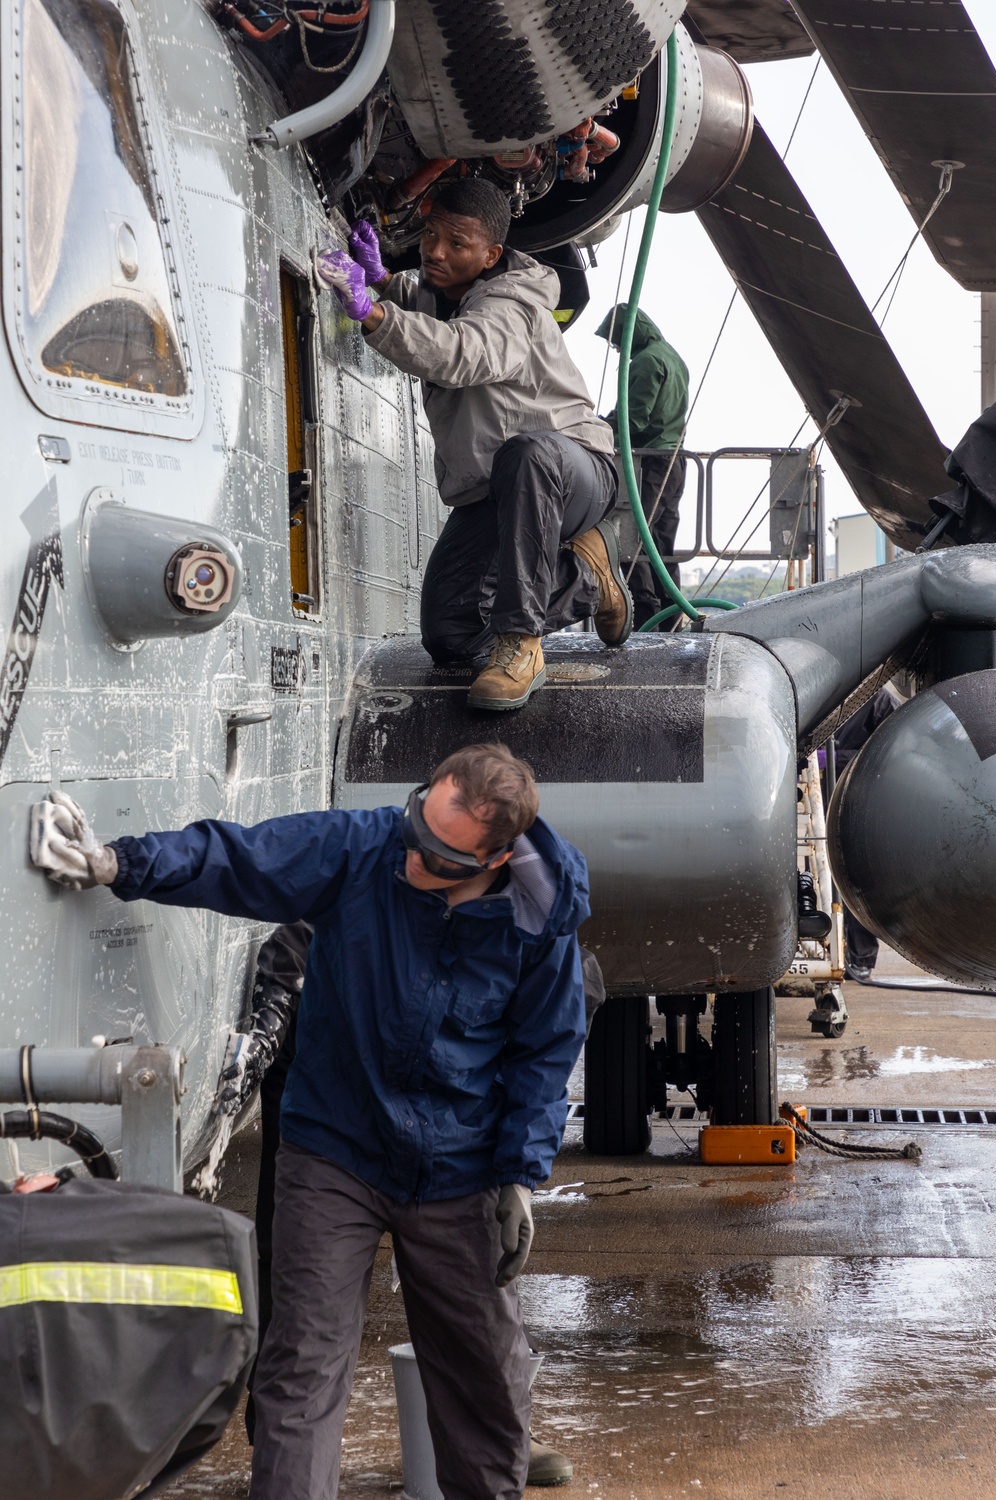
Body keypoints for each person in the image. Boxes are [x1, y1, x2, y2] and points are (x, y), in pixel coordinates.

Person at [29, 743, 589, 1500]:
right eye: (415, 824)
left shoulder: (540, 923)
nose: (410, 854)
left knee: (484, 1378)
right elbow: (243, 858)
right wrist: (117, 864)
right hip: (338, 1151)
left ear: (492, 859)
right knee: (302, 1368)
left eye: (434, 852)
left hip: (463, 1165)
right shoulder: (365, 851)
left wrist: (521, 1174)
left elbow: (543, 1052)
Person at [242, 918, 606, 1488]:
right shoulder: (397, 866)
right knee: (304, 1322)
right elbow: (299, 926)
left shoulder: (546, 949)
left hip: (450, 1138)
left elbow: (543, 1069)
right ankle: (280, 1441)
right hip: (333, 1105)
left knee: (481, 1325)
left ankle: (500, 1427)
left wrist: (520, 1175)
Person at [316, 178, 632, 711]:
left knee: (527, 453)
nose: (436, 252)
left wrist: (372, 312)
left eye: (456, 245)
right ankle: (587, 579)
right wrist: (386, 281)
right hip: (497, 488)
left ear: (491, 256)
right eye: (431, 235)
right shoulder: (453, 290)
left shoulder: (515, 304)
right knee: (449, 635)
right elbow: (437, 311)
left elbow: (465, 351)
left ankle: (521, 646)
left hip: (574, 471)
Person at [596, 305, 689, 628]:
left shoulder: (647, 361)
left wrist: (594, 428)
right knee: (662, 543)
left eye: (616, 340)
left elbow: (633, 418)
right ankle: (672, 614)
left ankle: (645, 615)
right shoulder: (671, 356)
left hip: (650, 463)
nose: (616, 348)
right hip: (674, 461)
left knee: (634, 539)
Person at [827, 687, 899, 981]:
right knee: (820, 881)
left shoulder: (879, 700)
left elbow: (890, 750)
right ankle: (833, 952)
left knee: (855, 879)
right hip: (818, 797)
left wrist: (833, 759)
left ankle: (862, 959)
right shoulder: (824, 696)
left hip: (858, 802)